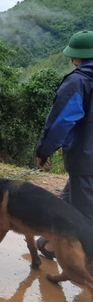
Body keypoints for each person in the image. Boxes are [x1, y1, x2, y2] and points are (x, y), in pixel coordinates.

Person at [35, 30, 93, 259]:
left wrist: (44, 151)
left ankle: (86, 268)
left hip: (86, 160)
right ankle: (49, 244)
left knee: (85, 215)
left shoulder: (78, 82)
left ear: (76, 57)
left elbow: (61, 122)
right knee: (68, 202)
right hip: (86, 163)